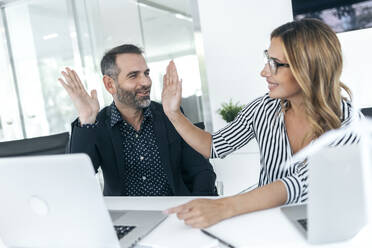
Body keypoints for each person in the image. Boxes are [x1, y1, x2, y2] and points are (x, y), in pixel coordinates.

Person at [161, 19, 360, 228]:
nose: (264, 72)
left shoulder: (348, 124)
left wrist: (224, 206)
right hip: (267, 224)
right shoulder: (264, 108)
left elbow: (299, 184)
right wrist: (173, 113)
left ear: (307, 68)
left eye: (275, 64)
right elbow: (214, 146)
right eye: (267, 59)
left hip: (325, 229)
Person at [58, 44, 217, 197]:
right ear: (110, 84)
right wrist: (86, 119)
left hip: (175, 211)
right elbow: (75, 179)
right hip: (127, 216)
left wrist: (199, 205)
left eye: (146, 73)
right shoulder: (97, 124)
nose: (146, 82)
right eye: (133, 75)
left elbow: (201, 171)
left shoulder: (170, 115)